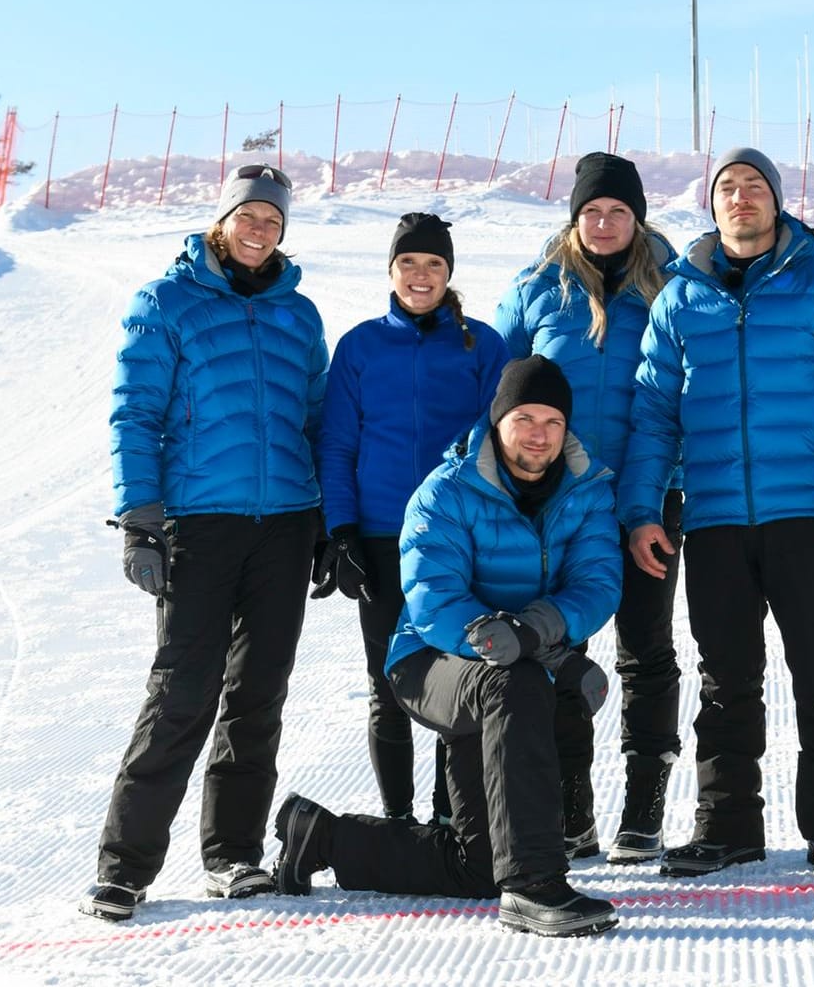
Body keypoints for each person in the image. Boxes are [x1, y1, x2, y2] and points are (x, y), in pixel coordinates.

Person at [271, 356, 623, 938]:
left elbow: (597, 583)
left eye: (553, 422)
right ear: (498, 421)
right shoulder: (447, 491)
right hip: (429, 661)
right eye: (525, 418)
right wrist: (527, 647)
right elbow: (434, 599)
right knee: (515, 682)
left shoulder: (587, 489)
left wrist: (535, 633)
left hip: (517, 665)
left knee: (477, 864)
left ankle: (324, 837)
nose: (538, 434)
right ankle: (534, 885)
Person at [621, 147, 814, 878]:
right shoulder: (680, 299)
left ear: (778, 201)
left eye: (753, 187)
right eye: (727, 189)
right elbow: (652, 412)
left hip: (804, 512)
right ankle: (727, 825)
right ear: (712, 208)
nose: (740, 199)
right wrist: (643, 509)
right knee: (726, 676)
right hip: (712, 519)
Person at [84, 164, 328, 922]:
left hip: (285, 523)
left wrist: (325, 519)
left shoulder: (299, 314)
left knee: (258, 693)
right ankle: (124, 864)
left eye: (273, 221)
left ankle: (233, 854)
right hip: (200, 524)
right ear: (222, 220)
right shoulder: (167, 302)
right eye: (248, 216)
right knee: (183, 691)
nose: (259, 231)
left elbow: (317, 422)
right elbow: (135, 412)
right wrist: (141, 517)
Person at [494, 152, 682, 864]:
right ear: (575, 216)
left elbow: (677, 397)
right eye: (592, 211)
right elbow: (502, 391)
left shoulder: (668, 286)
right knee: (555, 649)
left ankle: (643, 809)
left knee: (646, 650)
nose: (604, 224)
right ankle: (573, 811)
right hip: (554, 502)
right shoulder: (538, 288)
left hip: (650, 495)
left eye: (619, 212)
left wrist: (652, 500)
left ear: (638, 218)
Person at [315, 212, 508, 824]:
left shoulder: (483, 344)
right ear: (391, 270)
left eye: (433, 264)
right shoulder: (361, 346)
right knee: (389, 682)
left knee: (458, 671)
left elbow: (495, 438)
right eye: (408, 263)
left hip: (456, 537)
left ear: (449, 273)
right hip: (378, 534)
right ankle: (398, 820)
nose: (420, 275)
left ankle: (453, 818)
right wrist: (340, 531)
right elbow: (338, 443)